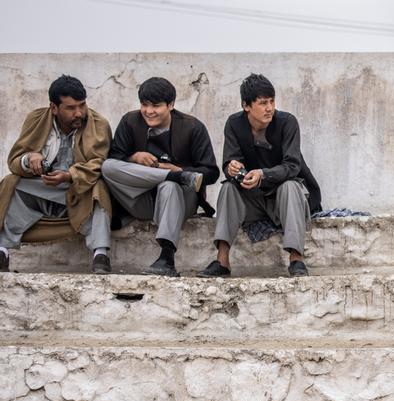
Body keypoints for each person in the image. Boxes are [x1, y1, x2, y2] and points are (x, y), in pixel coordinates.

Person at [199, 74, 321, 278]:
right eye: (263, 103)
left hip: (284, 202)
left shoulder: (287, 122)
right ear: (246, 105)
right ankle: (222, 261)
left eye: (272, 101)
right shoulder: (234, 124)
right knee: (228, 188)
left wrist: (263, 174)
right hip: (253, 202)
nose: (269, 108)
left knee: (290, 186)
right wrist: (233, 169)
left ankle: (297, 259)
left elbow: (292, 166)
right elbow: (230, 162)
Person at [101, 77, 219, 276]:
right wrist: (134, 157)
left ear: (171, 105)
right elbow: (115, 160)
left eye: (156, 106)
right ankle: (169, 177)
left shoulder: (192, 127)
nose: (149, 111)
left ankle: (167, 258)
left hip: (181, 201)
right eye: (144, 105)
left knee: (169, 186)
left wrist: (178, 170)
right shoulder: (130, 121)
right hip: (140, 200)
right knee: (107, 166)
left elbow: (211, 172)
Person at [0, 75, 112, 274]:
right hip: (42, 189)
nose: (78, 113)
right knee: (11, 182)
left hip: (78, 189)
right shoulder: (36, 119)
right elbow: (14, 161)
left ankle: (100, 253)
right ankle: (2, 250)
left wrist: (69, 176)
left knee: (99, 188)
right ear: (54, 108)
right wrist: (29, 159)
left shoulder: (98, 124)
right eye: (70, 108)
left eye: (82, 105)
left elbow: (99, 164)